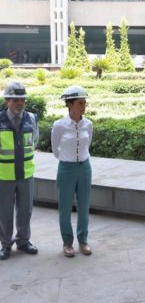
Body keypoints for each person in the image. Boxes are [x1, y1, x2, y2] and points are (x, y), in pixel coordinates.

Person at [51, 85, 93, 258]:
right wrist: (68, 159)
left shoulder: (88, 124)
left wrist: (80, 159)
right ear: (70, 104)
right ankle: (67, 243)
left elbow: (87, 143)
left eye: (84, 103)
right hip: (66, 169)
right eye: (80, 103)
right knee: (65, 207)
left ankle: (83, 240)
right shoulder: (59, 125)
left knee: (84, 206)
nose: (84, 106)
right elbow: (55, 149)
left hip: (84, 167)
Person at [0, 81, 39, 260]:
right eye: (15, 100)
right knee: (5, 212)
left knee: (25, 210)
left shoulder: (32, 118)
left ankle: (23, 241)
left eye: (22, 99)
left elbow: (35, 141)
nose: (19, 103)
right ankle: (6, 244)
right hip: (4, 176)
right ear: (7, 100)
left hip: (26, 174)